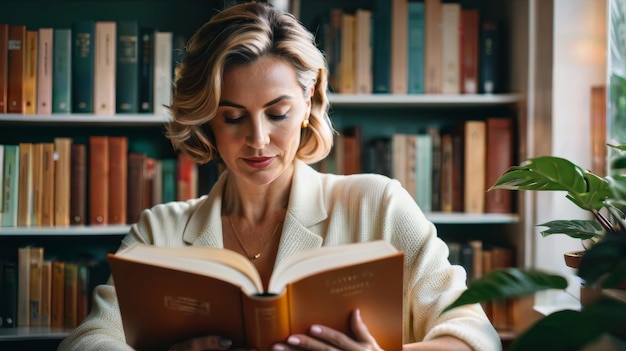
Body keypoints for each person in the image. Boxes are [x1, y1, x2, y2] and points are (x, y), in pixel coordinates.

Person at [58, 2, 501, 350]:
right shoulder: (160, 231)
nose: (257, 139)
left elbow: (476, 335)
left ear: (308, 100)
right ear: (208, 118)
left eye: (278, 113)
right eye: (233, 118)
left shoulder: (378, 206)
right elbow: (87, 341)